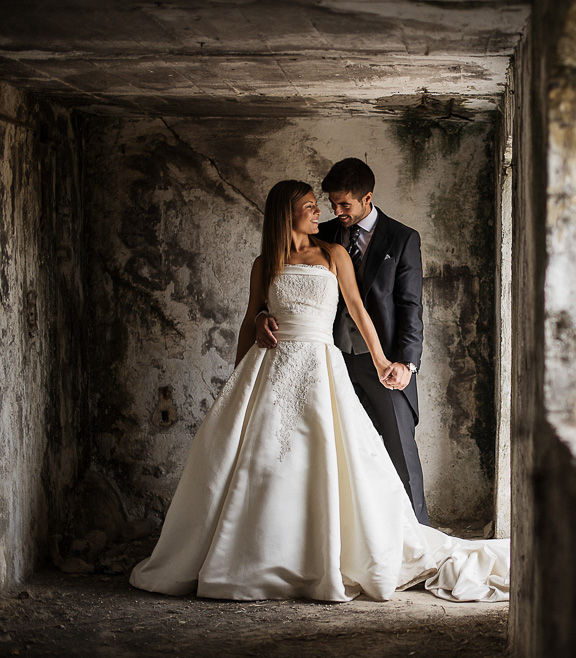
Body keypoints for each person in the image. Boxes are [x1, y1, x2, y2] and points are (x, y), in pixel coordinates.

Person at [129, 180, 508, 603]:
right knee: (265, 465)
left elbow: (360, 311)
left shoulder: (333, 254)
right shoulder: (265, 263)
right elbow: (252, 313)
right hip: (271, 366)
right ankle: (259, 558)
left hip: (321, 365)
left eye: (317, 205)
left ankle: (325, 556)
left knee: (331, 458)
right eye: (309, 207)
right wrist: (239, 371)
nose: (318, 213)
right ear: (286, 215)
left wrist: (384, 362)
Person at [255, 159, 429, 526]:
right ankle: (348, 534)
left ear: (367, 198)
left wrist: (404, 364)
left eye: (344, 205)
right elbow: (279, 286)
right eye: (331, 203)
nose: (336, 212)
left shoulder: (402, 238)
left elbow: (410, 307)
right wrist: (262, 316)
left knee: (399, 451)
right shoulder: (324, 233)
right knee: (339, 453)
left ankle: (418, 532)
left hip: (381, 360)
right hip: (328, 360)